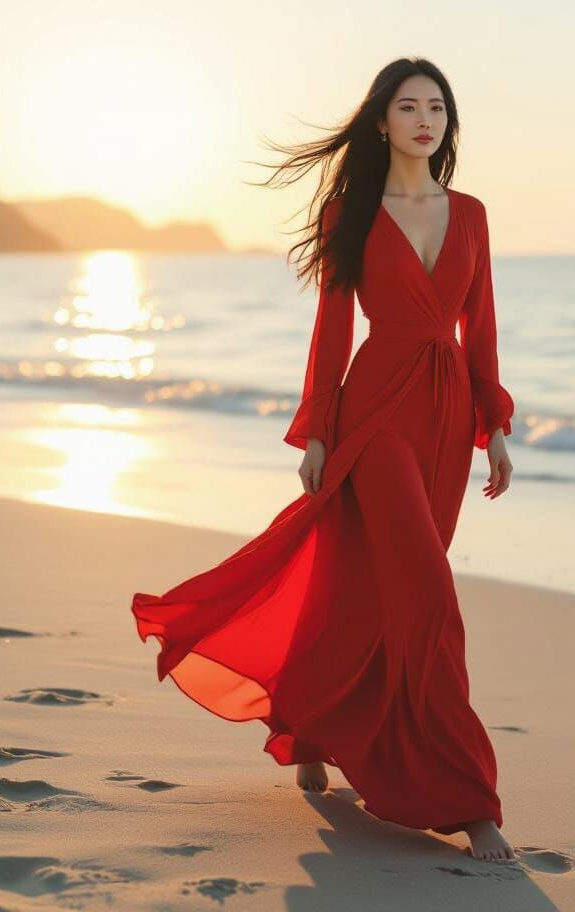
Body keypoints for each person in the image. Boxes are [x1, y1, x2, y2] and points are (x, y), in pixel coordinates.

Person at [132, 57, 518, 863]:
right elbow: (333, 329)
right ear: (381, 122)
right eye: (408, 106)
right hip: (374, 414)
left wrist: (495, 424)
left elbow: (480, 326)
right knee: (427, 592)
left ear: (449, 124)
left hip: (446, 417)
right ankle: (468, 800)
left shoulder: (474, 215)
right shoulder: (350, 211)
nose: (424, 119)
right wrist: (317, 431)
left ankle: (309, 718)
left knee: (371, 587)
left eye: (437, 108)